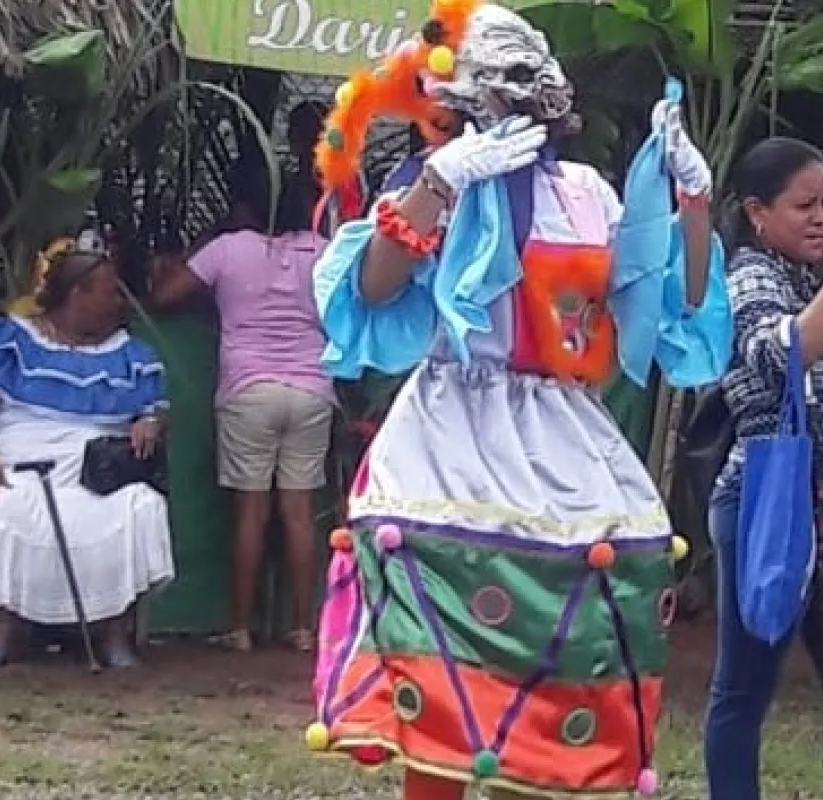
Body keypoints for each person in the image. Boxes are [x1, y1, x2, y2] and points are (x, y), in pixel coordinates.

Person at [303, 1, 730, 797]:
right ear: (465, 101)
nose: (513, 106)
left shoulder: (589, 195)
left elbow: (673, 305)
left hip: (565, 438)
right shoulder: (436, 182)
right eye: (496, 92)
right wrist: (438, 182)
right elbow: (372, 287)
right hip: (450, 439)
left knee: (555, 667)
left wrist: (693, 203)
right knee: (440, 689)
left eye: (526, 90)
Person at [705, 137, 823, 800]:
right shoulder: (748, 276)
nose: (822, 217)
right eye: (804, 205)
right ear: (759, 213)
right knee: (746, 682)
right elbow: (780, 358)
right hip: (767, 502)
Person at [0, 244, 174, 667]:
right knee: (4, 507)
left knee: (140, 507)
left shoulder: (131, 353)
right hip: (18, 466)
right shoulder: (9, 340)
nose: (117, 302)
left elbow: (157, 408)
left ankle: (114, 635)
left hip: (98, 473)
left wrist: (150, 423)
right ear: (77, 293)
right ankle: (4, 630)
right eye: (109, 293)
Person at [149, 176, 334, 654]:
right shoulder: (324, 250)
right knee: (298, 512)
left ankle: (239, 628)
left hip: (248, 390)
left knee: (250, 512)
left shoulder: (228, 249)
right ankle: (302, 628)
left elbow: (164, 296)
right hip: (312, 388)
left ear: (249, 207)